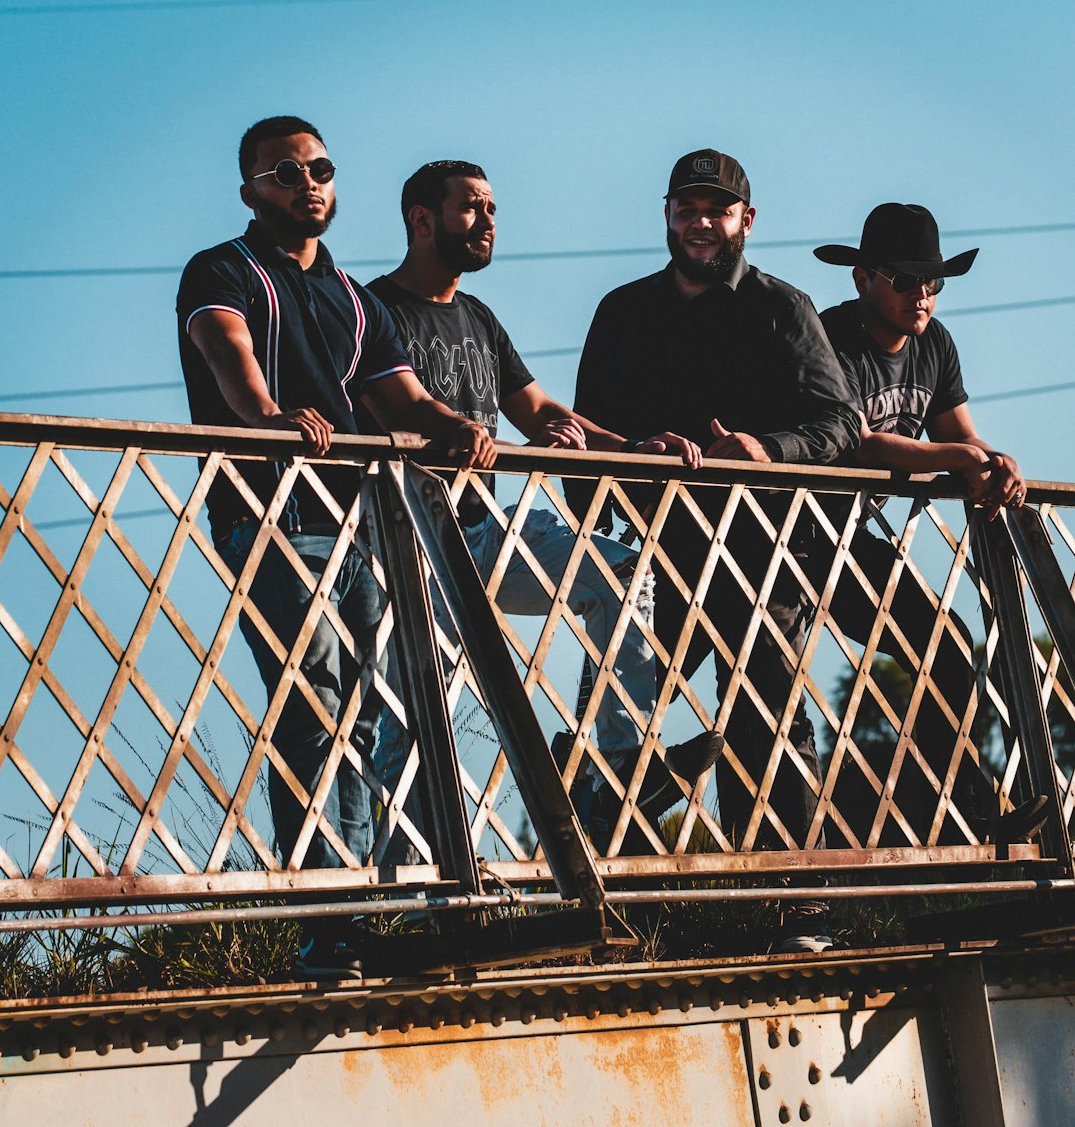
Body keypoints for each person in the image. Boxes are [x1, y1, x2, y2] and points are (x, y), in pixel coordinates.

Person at [177, 116, 495, 977]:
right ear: (252, 190)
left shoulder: (352, 296)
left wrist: (450, 425)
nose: (307, 182)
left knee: (369, 708)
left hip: (361, 522)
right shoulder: (224, 271)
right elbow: (225, 350)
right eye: (285, 172)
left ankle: (375, 901)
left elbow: (398, 393)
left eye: (319, 167)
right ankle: (331, 922)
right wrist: (268, 419)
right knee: (313, 708)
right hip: (274, 517)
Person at [365, 159, 722, 854]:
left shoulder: (478, 318)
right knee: (423, 711)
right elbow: (402, 399)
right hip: (408, 540)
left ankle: (618, 767)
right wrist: (451, 428)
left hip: (480, 530)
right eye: (471, 208)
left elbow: (538, 412)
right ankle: (407, 887)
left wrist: (633, 446)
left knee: (618, 571)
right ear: (421, 219)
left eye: (493, 208)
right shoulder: (375, 309)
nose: (488, 221)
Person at [573, 148, 861, 951]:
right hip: (655, 548)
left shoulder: (782, 308)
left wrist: (765, 451)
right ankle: (604, 900)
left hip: (763, 550)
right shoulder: (623, 311)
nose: (702, 223)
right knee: (617, 712)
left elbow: (838, 426)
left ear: (746, 220)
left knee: (767, 716)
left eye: (718, 209)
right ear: (667, 215)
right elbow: (586, 430)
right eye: (687, 208)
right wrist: (625, 481)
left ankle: (795, 907)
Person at [814, 201, 1046, 846]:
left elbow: (959, 434)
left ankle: (960, 810)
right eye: (905, 280)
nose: (922, 296)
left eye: (934, 283)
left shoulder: (934, 346)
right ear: (863, 279)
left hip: (846, 540)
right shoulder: (827, 339)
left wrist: (996, 462)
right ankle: (603, 787)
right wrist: (957, 458)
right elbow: (851, 441)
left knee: (943, 649)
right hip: (778, 533)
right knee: (719, 671)